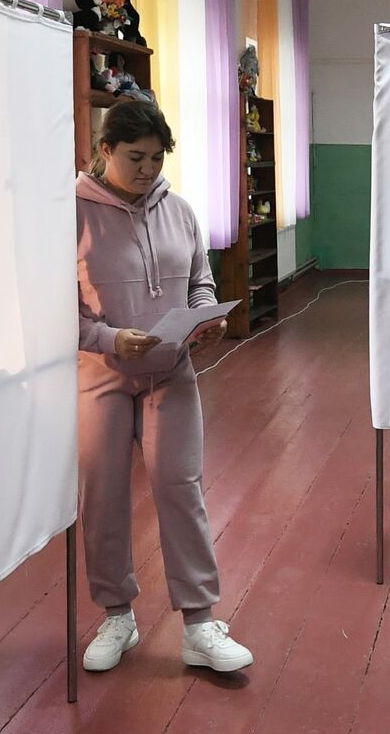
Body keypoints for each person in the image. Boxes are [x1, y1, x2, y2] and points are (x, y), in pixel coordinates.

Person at [75, 100, 252, 673]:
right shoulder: (70, 215)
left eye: (156, 158)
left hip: (171, 374)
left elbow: (201, 281)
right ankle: (117, 616)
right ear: (105, 150)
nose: (148, 169)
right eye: (135, 157)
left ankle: (199, 624)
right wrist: (109, 339)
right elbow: (58, 313)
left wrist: (205, 316)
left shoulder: (180, 211)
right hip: (100, 378)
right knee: (102, 497)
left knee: (182, 489)